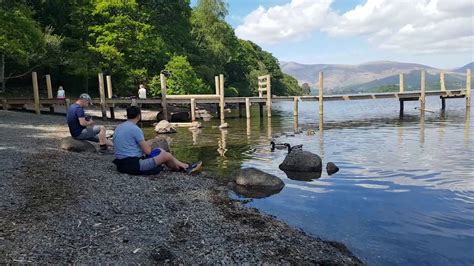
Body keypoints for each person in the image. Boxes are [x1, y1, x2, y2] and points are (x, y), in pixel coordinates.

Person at [112, 106, 202, 175]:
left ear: (127, 115)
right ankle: (185, 167)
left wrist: (149, 142)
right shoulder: (135, 129)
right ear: (138, 116)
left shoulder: (119, 127)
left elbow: (131, 145)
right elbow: (147, 151)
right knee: (166, 155)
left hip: (120, 164)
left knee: (160, 151)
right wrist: (150, 144)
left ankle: (182, 167)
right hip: (133, 165)